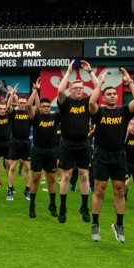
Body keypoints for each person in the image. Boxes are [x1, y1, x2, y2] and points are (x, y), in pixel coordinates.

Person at [88, 68, 134, 243]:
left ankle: (119, 225)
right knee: (100, 190)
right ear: (104, 98)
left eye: (114, 94)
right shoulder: (100, 112)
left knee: (120, 190)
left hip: (119, 156)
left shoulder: (124, 111)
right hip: (102, 155)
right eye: (108, 94)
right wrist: (100, 83)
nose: (112, 96)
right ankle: (95, 225)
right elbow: (91, 103)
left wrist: (129, 81)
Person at [56, 60, 99, 223]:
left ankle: (84, 207)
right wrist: (68, 72)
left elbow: (97, 89)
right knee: (66, 176)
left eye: (81, 88)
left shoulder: (87, 103)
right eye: (76, 88)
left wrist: (90, 72)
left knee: (84, 175)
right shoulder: (65, 102)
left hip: (83, 144)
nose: (80, 90)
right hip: (67, 144)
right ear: (71, 90)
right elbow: (60, 91)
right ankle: (62, 207)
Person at [26, 78, 60, 218]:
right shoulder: (36, 118)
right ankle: (32, 205)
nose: (46, 108)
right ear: (40, 108)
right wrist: (35, 90)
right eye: (43, 106)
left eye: (48, 106)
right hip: (37, 150)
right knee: (35, 177)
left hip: (51, 150)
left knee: (52, 178)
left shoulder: (55, 117)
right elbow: (29, 105)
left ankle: (52, 205)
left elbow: (63, 106)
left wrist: (61, 90)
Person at [6, 86, 32, 200]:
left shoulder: (29, 114)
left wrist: (35, 91)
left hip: (26, 142)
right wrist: (12, 94)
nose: (21, 104)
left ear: (26, 104)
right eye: (20, 102)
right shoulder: (13, 113)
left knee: (27, 167)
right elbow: (8, 106)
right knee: (12, 167)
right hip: (14, 142)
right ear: (17, 103)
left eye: (24, 103)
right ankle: (10, 189)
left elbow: (35, 105)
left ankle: (27, 190)